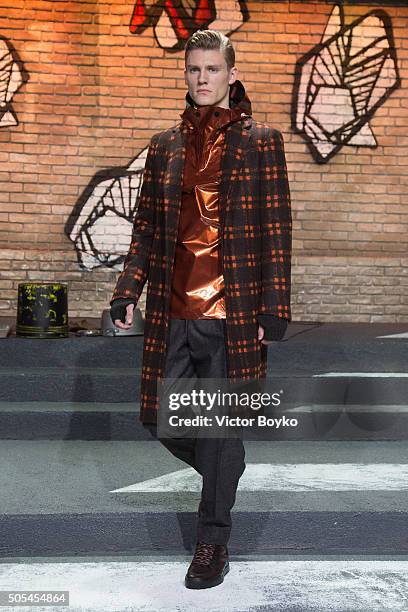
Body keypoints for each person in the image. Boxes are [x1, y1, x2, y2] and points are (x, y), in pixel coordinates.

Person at [109, 29, 292, 589]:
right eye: (194, 70)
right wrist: (127, 290)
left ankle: (212, 542)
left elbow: (275, 226)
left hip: (232, 312)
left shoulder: (262, 141)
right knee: (164, 419)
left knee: (214, 427)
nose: (203, 78)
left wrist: (273, 305)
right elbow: (146, 228)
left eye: (213, 69)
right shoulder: (164, 146)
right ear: (185, 75)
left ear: (231, 74)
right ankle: (225, 465)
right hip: (173, 309)